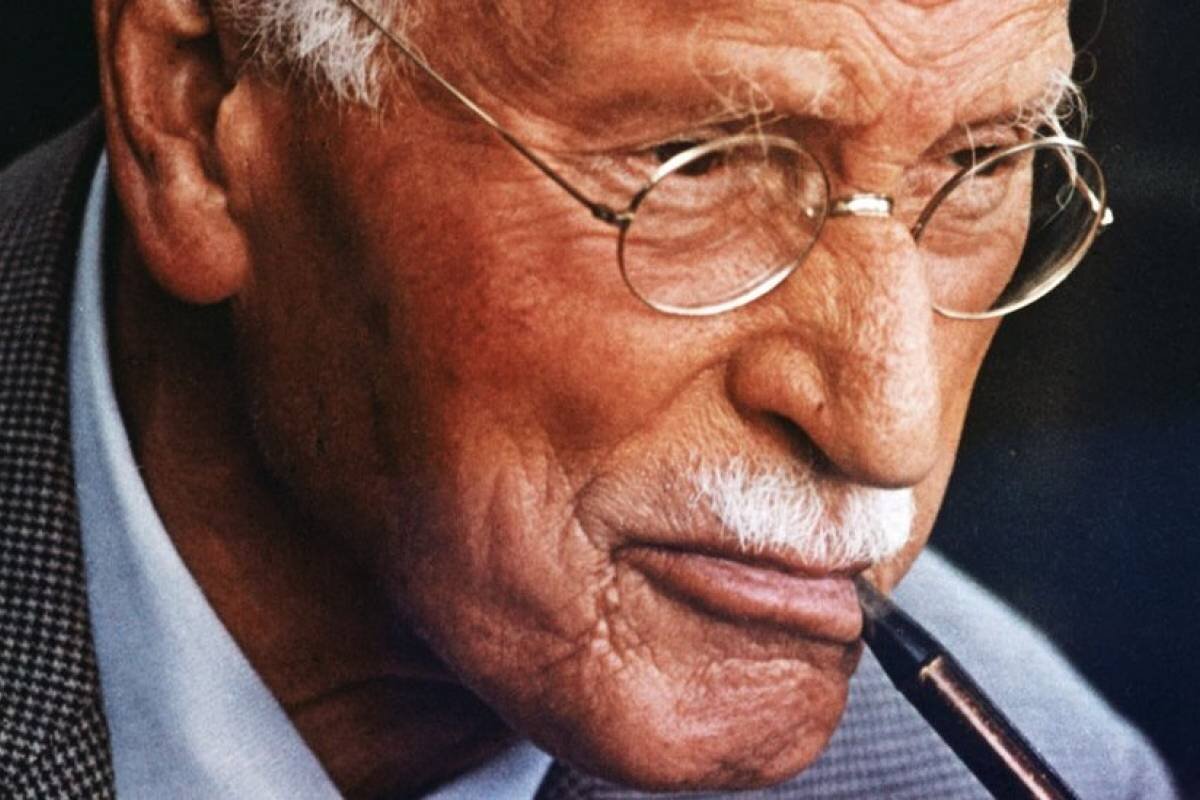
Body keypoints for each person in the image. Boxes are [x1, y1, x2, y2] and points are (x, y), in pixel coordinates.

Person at [0, 0, 1179, 797]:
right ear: (199, 113)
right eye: (699, 161)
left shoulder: (1053, 768)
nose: (888, 426)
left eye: (979, 166)